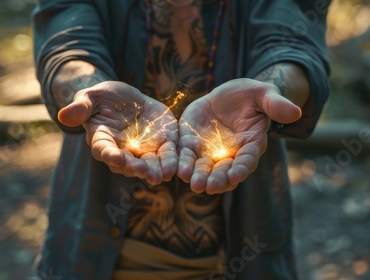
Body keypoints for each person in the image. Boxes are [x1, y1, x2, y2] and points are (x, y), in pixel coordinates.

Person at [32, 0, 330, 279]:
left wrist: (270, 89)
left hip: (245, 254)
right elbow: (66, 46)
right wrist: (91, 90)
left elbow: (294, 48)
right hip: (91, 256)